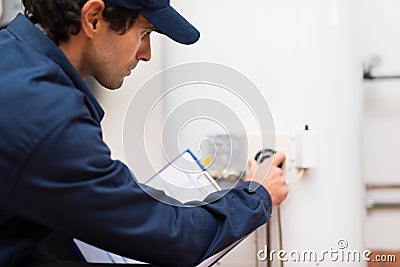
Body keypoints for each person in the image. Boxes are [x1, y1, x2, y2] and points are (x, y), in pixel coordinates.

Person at [0, 0, 288, 266]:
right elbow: (172, 236)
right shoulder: (47, 115)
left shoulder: (12, 57)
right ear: (93, 18)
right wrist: (255, 195)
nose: (147, 54)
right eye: (144, 33)